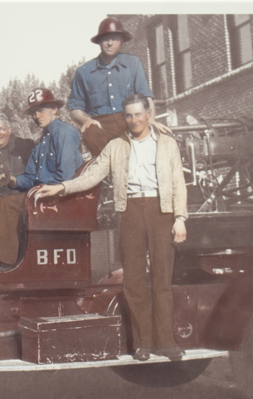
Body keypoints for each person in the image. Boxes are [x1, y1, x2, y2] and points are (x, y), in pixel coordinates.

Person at [36, 93, 188, 360]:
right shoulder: (116, 146)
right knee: (135, 281)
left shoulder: (166, 144)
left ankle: (166, 342)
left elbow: (178, 181)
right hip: (129, 212)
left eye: (138, 114)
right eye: (128, 115)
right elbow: (93, 175)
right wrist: (62, 187)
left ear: (148, 114)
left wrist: (180, 219)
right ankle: (143, 344)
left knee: (162, 280)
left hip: (161, 212)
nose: (133, 120)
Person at [0, 87, 83, 269]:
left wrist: (35, 188)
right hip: (40, 194)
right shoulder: (41, 142)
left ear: (55, 109)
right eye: (33, 112)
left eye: (41, 110)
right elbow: (29, 177)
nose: (37, 116)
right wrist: (13, 180)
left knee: (9, 204)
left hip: (58, 197)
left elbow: (64, 177)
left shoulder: (65, 133)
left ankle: (4, 263)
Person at [67, 16, 171, 157]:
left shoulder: (133, 63)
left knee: (154, 139)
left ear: (122, 41)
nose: (110, 43)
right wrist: (85, 120)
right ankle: (109, 174)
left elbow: (146, 97)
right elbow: (75, 108)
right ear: (99, 42)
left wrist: (151, 120)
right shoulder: (84, 72)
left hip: (129, 119)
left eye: (115, 38)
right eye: (105, 39)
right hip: (100, 124)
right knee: (90, 134)